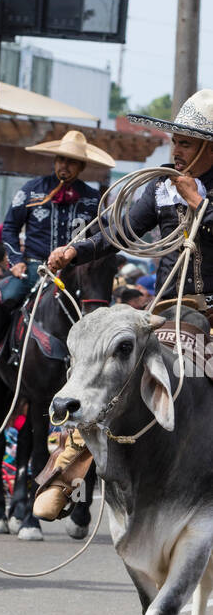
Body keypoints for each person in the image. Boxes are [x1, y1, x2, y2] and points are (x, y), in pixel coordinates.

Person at [38, 89, 213, 521]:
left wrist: (198, 204)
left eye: (187, 143)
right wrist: (76, 251)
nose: (176, 150)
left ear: (209, 147)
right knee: (109, 360)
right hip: (168, 307)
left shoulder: (192, 192)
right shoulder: (158, 188)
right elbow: (120, 232)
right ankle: (68, 469)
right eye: (176, 141)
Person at [0, 129, 113, 361]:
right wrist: (16, 261)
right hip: (33, 269)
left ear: (82, 167)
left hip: (75, 273)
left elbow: (104, 236)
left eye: (72, 162)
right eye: (61, 159)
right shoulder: (31, 190)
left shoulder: (93, 199)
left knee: (102, 313)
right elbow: (9, 228)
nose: (65, 166)